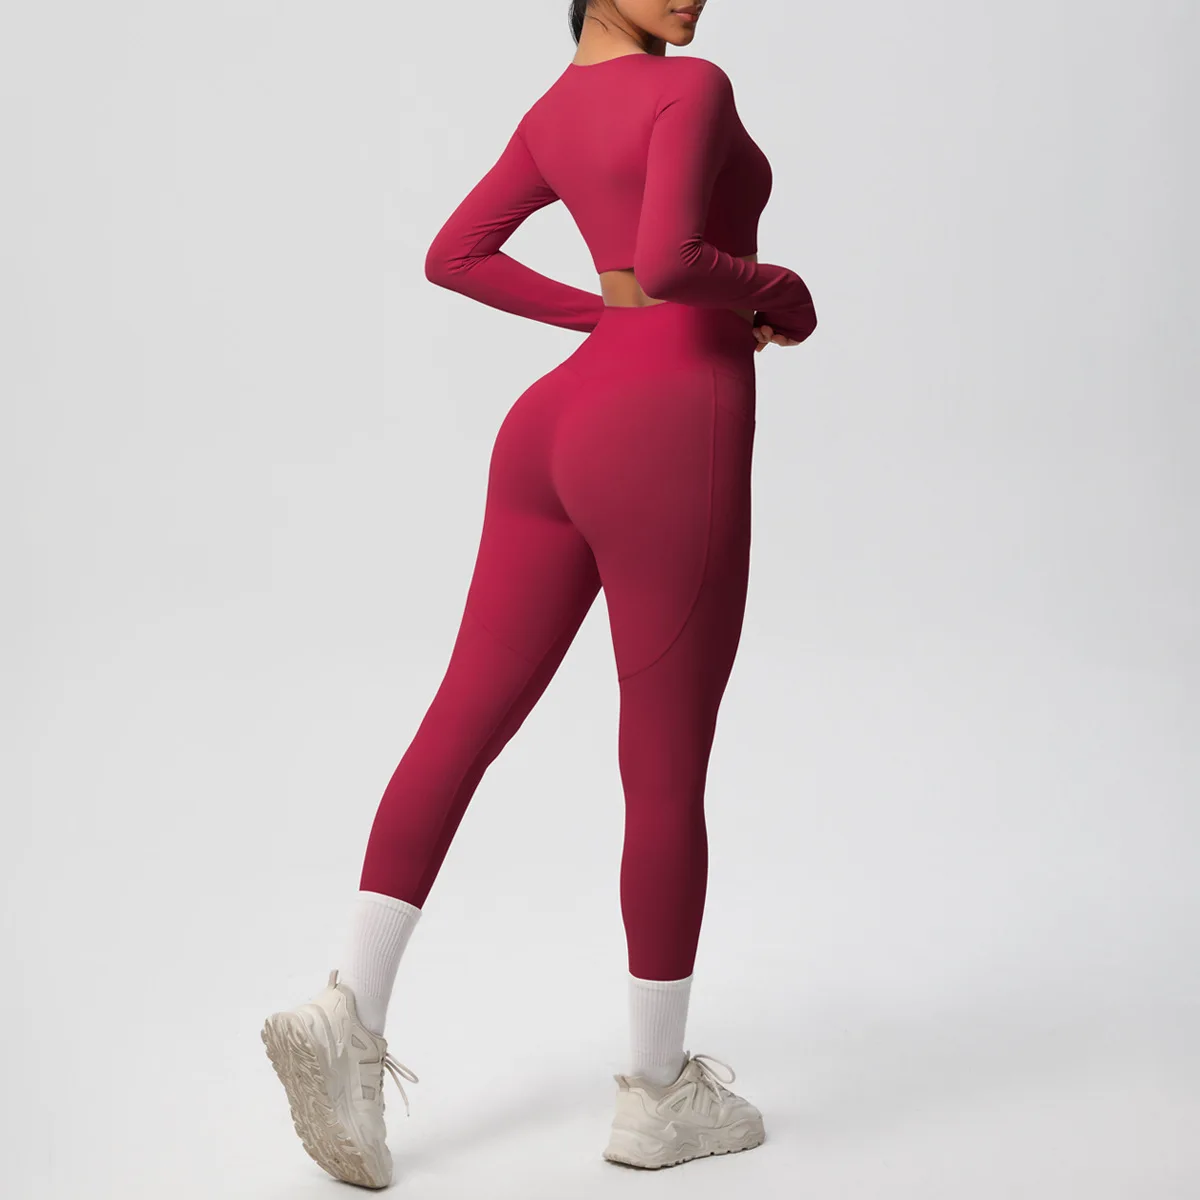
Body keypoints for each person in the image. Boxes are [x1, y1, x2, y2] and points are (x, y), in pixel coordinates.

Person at [261, 0, 817, 1187]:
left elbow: (455, 253)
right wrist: (781, 289)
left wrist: (598, 318)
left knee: (462, 717)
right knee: (663, 765)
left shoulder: (553, 112)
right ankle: (658, 1099)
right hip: (669, 424)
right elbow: (674, 263)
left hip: (557, 418)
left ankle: (347, 1010)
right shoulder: (693, 87)